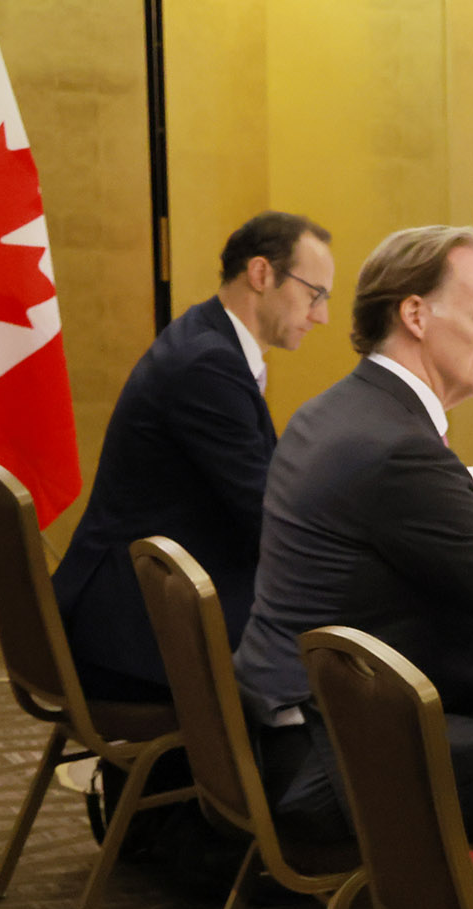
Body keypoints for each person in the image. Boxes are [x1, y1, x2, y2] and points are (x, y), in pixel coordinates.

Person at [234, 226, 473, 844]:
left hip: (293, 720)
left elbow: (472, 561)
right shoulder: (399, 449)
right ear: (415, 314)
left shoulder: (340, 410)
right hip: (337, 758)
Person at [52, 212, 333, 702]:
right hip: (135, 631)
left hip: (137, 597)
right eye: (315, 294)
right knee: (340, 653)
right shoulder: (208, 364)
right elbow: (266, 517)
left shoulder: (205, 337)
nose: (322, 315)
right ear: (262, 274)